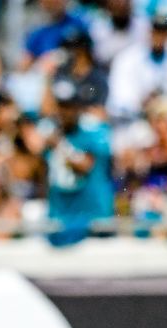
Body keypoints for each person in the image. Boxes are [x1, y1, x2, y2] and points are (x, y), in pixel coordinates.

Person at [44, 80, 114, 246]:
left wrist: (61, 146)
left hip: (93, 219)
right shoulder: (51, 135)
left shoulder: (93, 132)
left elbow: (85, 166)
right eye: (61, 106)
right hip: (61, 217)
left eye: (70, 106)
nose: (65, 112)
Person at [107, 12, 167, 120]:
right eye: (156, 32)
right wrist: (144, 102)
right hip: (139, 119)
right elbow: (120, 100)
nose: (159, 37)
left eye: (164, 32)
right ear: (148, 32)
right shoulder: (128, 58)